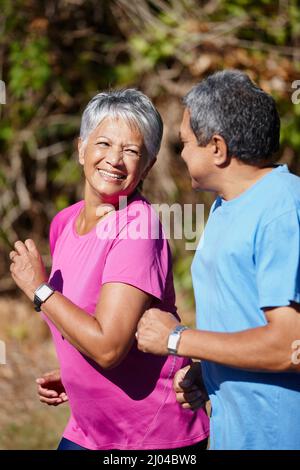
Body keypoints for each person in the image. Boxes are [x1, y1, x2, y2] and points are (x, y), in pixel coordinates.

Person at [9, 89, 209, 450]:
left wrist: (40, 290)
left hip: (151, 436)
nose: (114, 159)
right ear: (82, 148)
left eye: (131, 151)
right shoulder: (64, 223)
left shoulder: (137, 228)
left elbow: (107, 348)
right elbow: (83, 321)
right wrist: (78, 377)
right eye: (103, 143)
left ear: (146, 166)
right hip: (89, 428)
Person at [136, 70, 300, 450]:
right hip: (235, 433)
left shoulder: (282, 210)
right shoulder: (226, 204)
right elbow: (242, 319)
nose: (181, 154)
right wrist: (208, 372)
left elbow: (290, 344)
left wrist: (179, 339)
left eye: (186, 143)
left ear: (218, 148)